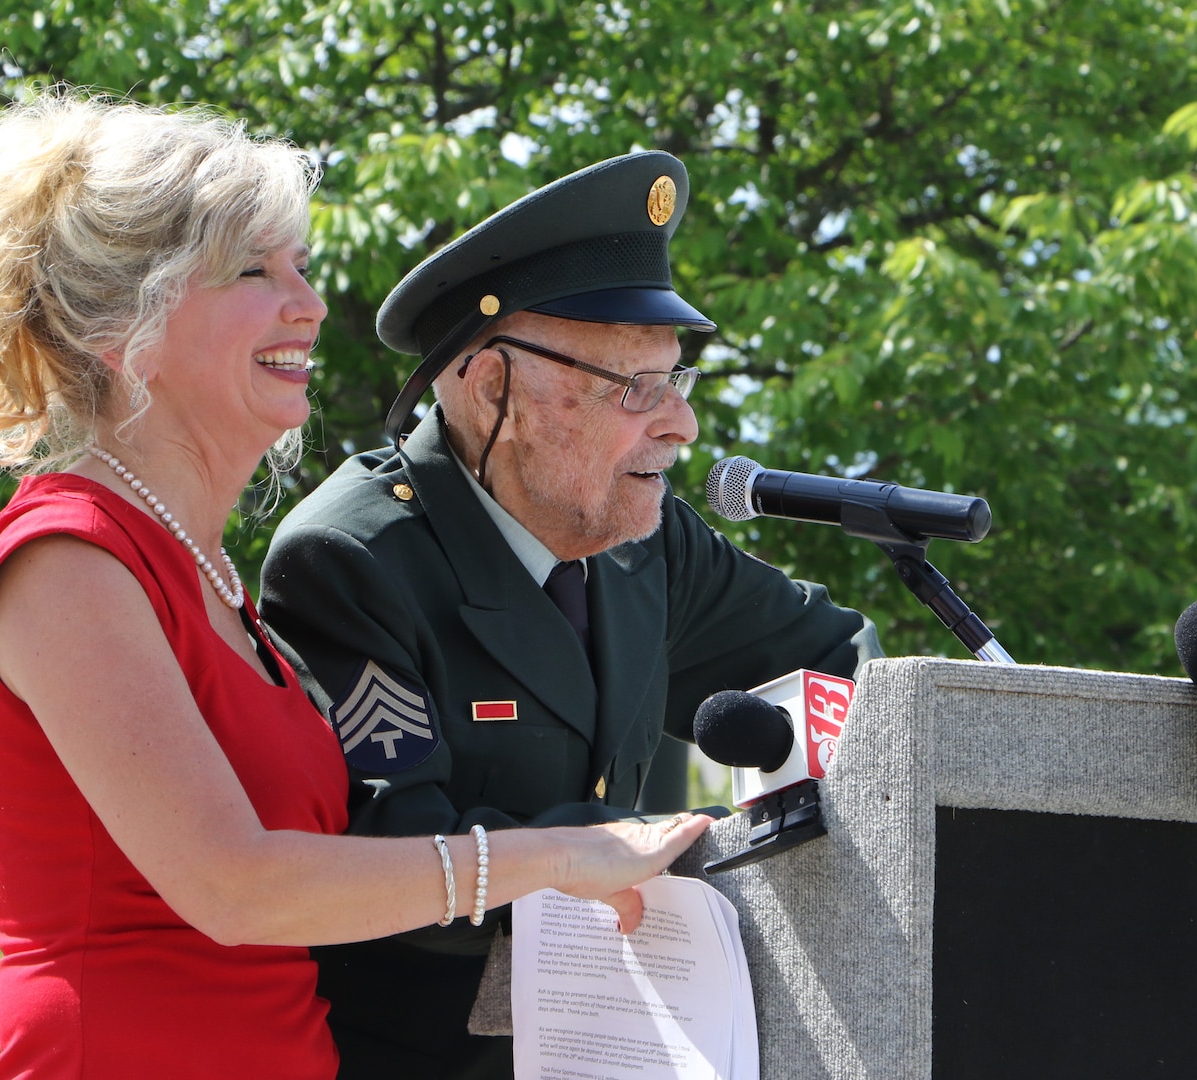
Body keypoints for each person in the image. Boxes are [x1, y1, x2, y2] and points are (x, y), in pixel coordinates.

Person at [0, 90, 711, 1080]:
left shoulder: (207, 575)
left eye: (303, 268)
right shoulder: (67, 558)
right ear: (126, 321)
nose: (312, 305)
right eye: (255, 270)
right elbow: (234, 885)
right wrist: (566, 857)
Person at [260, 150, 884, 1077]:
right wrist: (648, 859)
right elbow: (396, 851)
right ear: (487, 385)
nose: (679, 426)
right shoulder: (354, 559)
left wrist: (800, 823)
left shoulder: (646, 538)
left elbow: (841, 666)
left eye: (677, 381)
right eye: (631, 387)